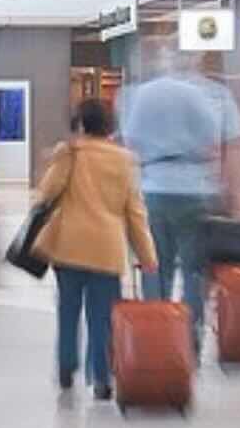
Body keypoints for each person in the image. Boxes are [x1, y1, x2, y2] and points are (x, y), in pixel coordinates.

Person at [120, 45, 240, 357]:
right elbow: (214, 146)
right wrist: (230, 194)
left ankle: (155, 332)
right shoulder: (200, 95)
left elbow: (130, 146)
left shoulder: (141, 96)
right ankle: (190, 337)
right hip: (193, 191)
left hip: (152, 189)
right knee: (193, 269)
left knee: (154, 265)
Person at [30, 98, 158, 400]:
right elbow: (135, 212)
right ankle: (102, 378)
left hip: (67, 247)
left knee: (68, 309)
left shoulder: (70, 154)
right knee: (102, 317)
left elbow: (45, 194)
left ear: (81, 123)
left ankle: (66, 367)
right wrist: (147, 255)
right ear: (109, 125)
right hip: (106, 249)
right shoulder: (124, 160)